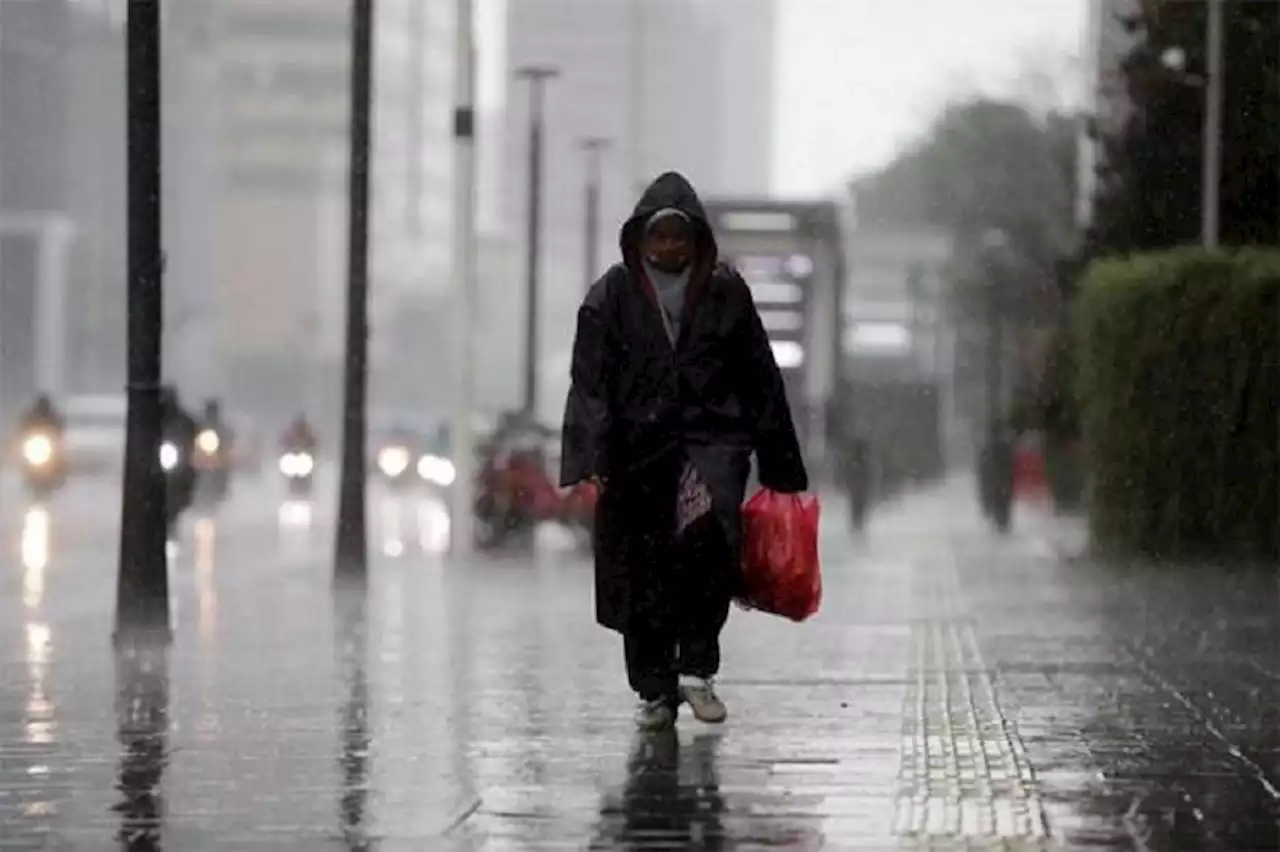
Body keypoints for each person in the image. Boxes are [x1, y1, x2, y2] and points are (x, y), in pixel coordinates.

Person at [561, 171, 808, 732]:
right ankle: (654, 688)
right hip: (635, 456)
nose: (669, 248)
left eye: (679, 236)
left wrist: (779, 462)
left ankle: (696, 668)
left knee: (708, 552)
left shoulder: (727, 292)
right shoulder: (611, 296)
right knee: (641, 569)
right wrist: (592, 457)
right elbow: (589, 382)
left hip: (711, 447)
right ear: (639, 241)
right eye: (659, 237)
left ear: (697, 239)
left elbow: (759, 377)